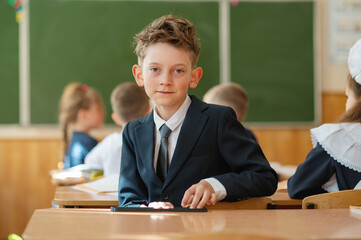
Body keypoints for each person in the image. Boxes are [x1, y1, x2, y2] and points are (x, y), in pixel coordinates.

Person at [118, 15, 278, 209]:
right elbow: (129, 197)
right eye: (154, 69)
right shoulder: (132, 132)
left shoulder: (218, 120)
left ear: (194, 77)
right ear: (139, 75)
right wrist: (145, 209)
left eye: (178, 71)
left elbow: (264, 177)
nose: (165, 80)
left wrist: (215, 185)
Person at [287, 39, 361, 199]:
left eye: (347, 96)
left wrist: (333, 195)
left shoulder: (339, 138)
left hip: (350, 223)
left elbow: (297, 188)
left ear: (357, 99)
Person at [84, 82, 150, 176]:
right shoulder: (151, 142)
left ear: (116, 118)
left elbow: (89, 162)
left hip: (110, 190)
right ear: (149, 112)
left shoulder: (110, 142)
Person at [59, 82, 105, 169]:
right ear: (83, 115)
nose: (103, 113)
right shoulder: (87, 143)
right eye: (98, 109)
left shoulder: (75, 139)